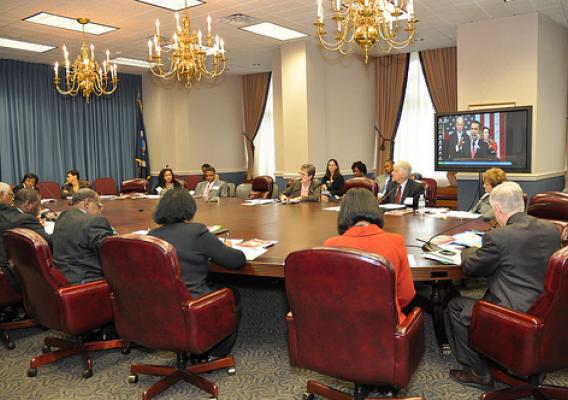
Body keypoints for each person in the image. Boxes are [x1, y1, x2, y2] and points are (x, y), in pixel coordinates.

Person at [446, 181, 561, 389]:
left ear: (497, 209)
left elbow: (471, 267)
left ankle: (479, 372)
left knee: (455, 305)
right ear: (521, 202)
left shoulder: (499, 237)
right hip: (550, 311)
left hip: (515, 313)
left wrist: (467, 249)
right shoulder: (552, 229)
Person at [148, 188, 246, 360]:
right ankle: (216, 352)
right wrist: (227, 247)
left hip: (160, 305)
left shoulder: (152, 236)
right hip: (192, 302)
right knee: (232, 294)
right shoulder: (197, 232)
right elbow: (236, 261)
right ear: (189, 209)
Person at [324, 188, 415, 322]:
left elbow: (328, 294)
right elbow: (406, 295)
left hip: (342, 323)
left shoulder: (330, 245)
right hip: (386, 324)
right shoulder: (396, 241)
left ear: (343, 213)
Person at [52, 189, 113, 284]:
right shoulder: (94, 221)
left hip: (63, 278)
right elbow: (109, 255)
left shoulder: (62, 217)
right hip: (88, 281)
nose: (100, 212)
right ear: (87, 203)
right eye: (99, 206)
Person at [0, 188, 53, 291]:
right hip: (11, 272)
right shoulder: (25, 219)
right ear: (28, 204)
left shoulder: (3, 210)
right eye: (38, 205)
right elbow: (49, 243)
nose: (39, 208)